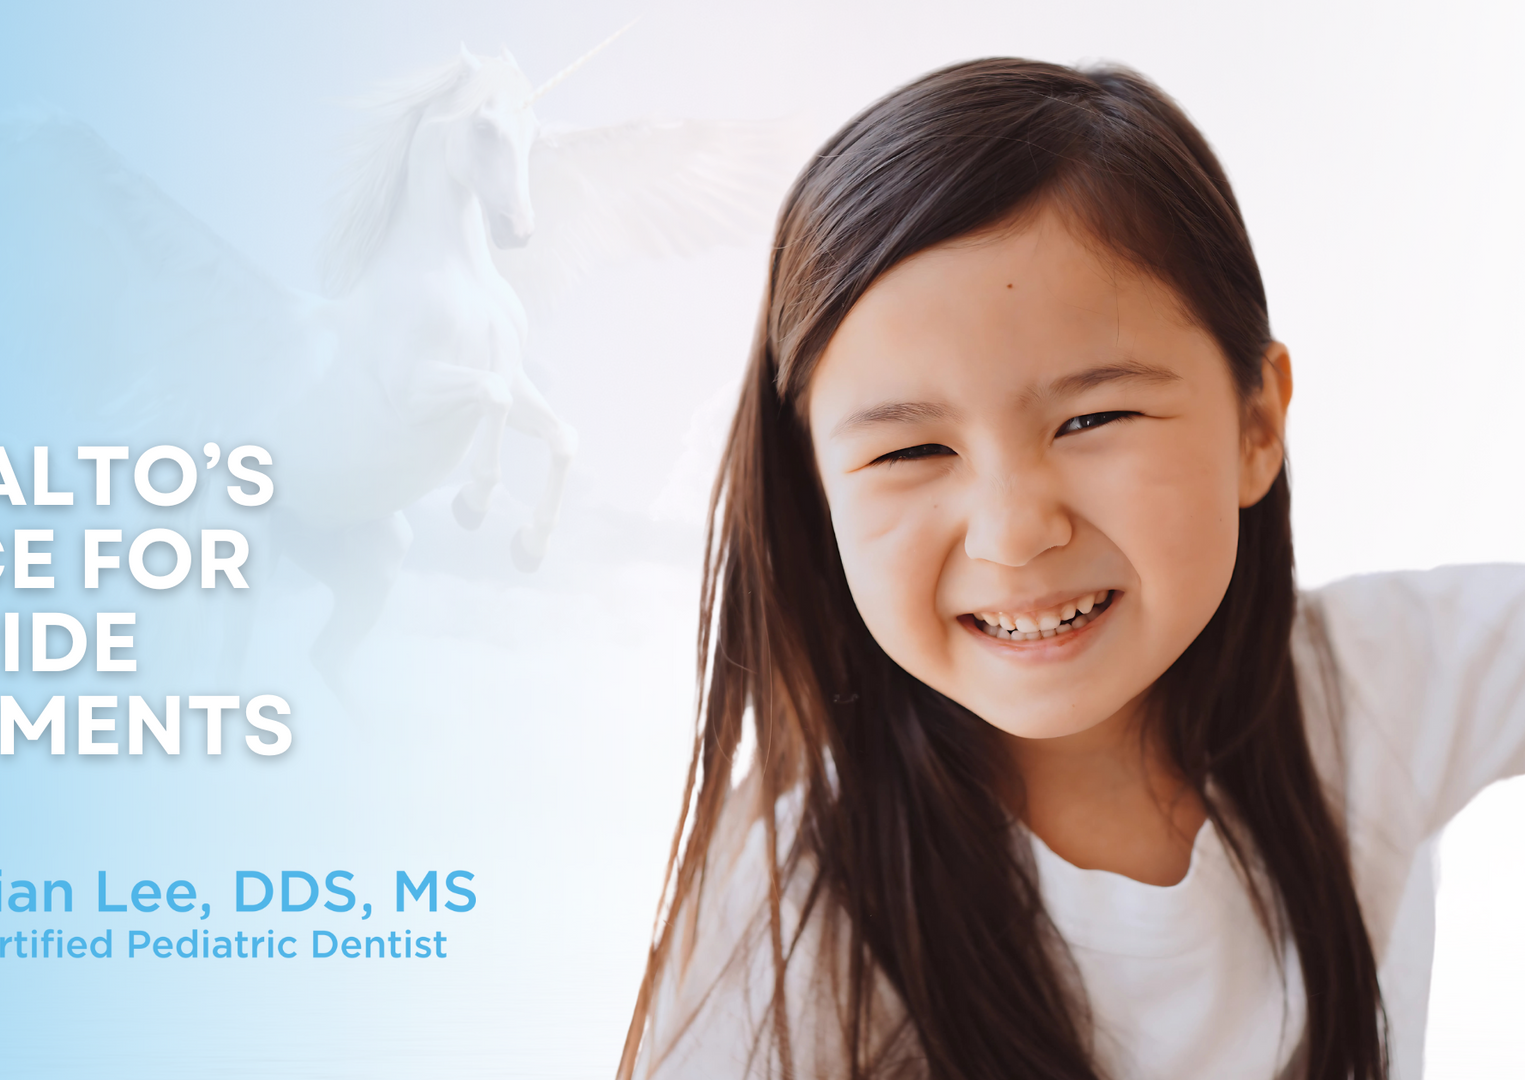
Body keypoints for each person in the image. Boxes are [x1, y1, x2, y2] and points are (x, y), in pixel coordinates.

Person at [620, 58, 1524, 1080]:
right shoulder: (791, 919)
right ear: (817, 486)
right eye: (912, 452)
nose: (1013, 533)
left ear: (1257, 424)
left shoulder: (1369, 689)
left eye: (1091, 419)